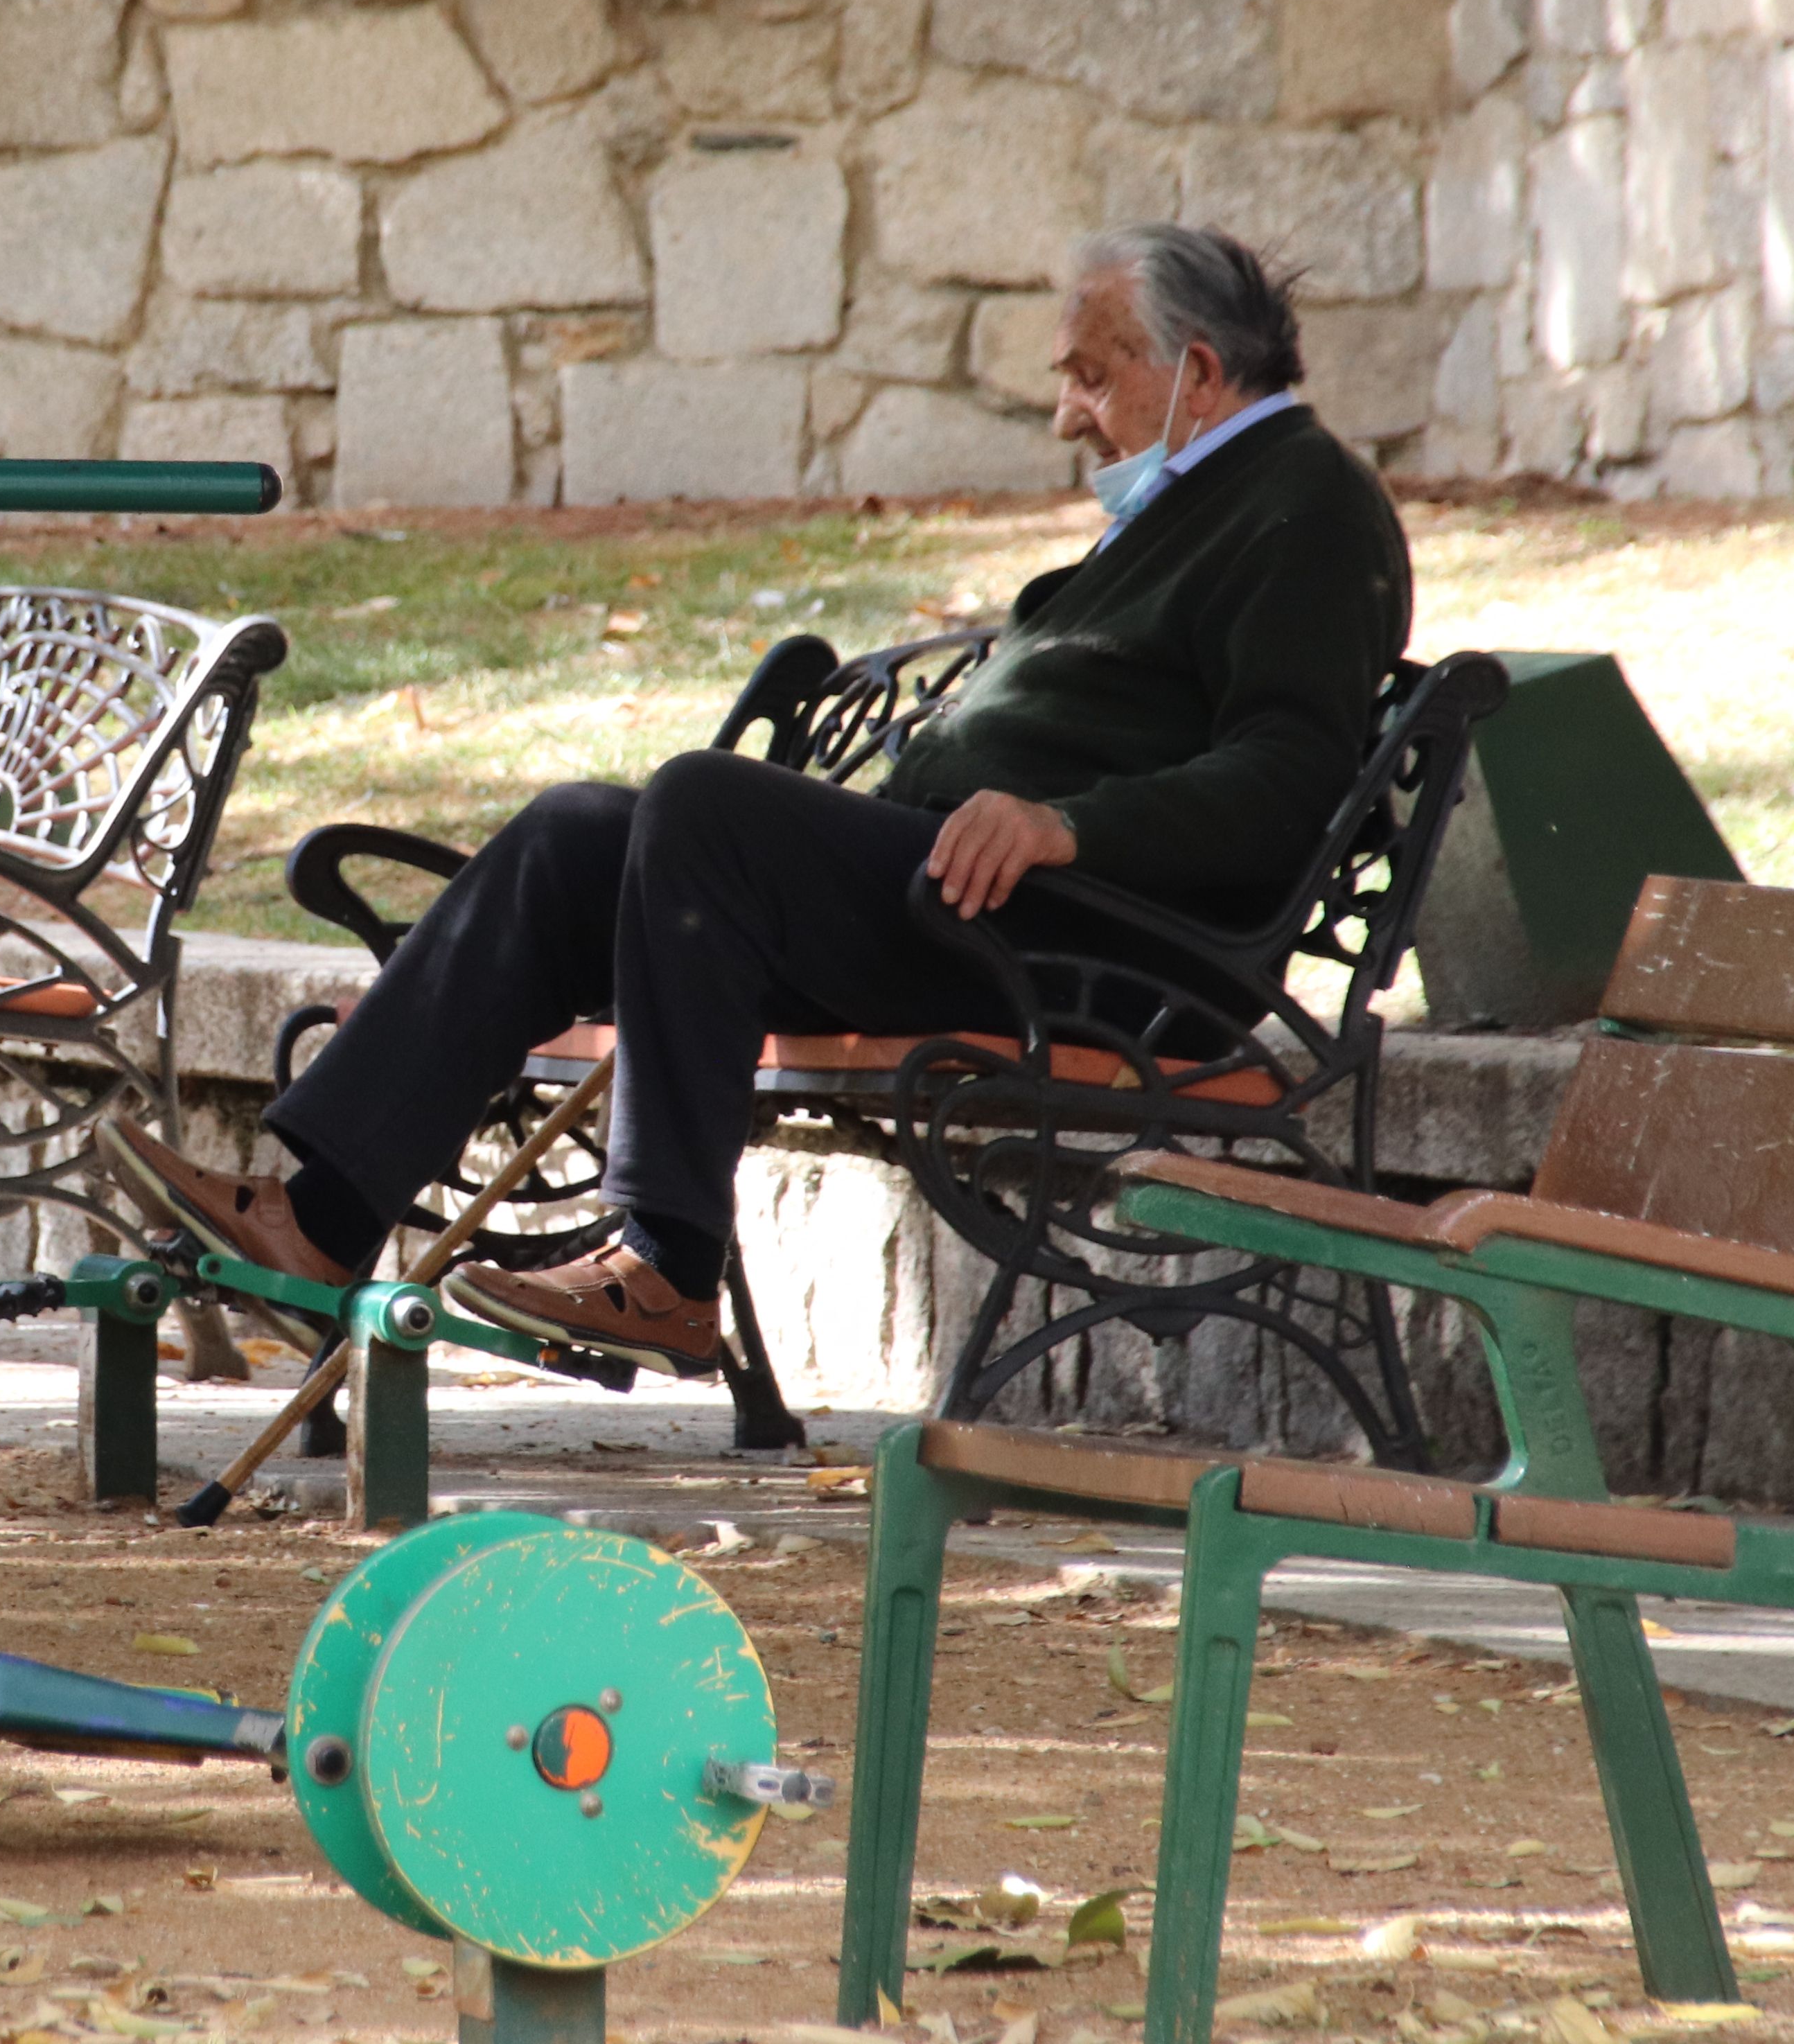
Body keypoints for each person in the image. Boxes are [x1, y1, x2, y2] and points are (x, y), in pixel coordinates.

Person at [98, 222, 1416, 1374]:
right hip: (976, 899)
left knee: (709, 810)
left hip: (1097, 941)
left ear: (1195, 371)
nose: (1069, 415)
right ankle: (321, 1221)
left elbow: (1287, 778)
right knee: (573, 839)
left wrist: (1067, 824)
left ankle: (666, 1265)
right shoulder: (1198, 502)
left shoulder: (1304, 505)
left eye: (1091, 372)